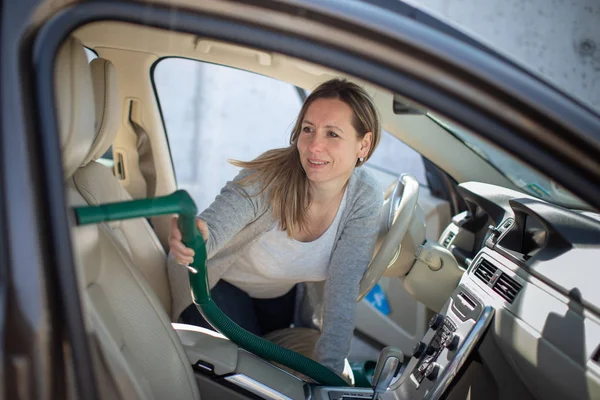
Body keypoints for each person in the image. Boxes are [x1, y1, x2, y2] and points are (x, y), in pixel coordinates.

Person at [167, 78, 383, 378]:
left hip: (278, 294)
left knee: (284, 369)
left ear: (364, 144)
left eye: (332, 133)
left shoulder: (364, 197)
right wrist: (196, 239)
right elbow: (214, 228)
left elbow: (342, 288)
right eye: (308, 129)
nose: (314, 145)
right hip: (215, 287)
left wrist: (329, 376)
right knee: (256, 374)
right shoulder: (268, 178)